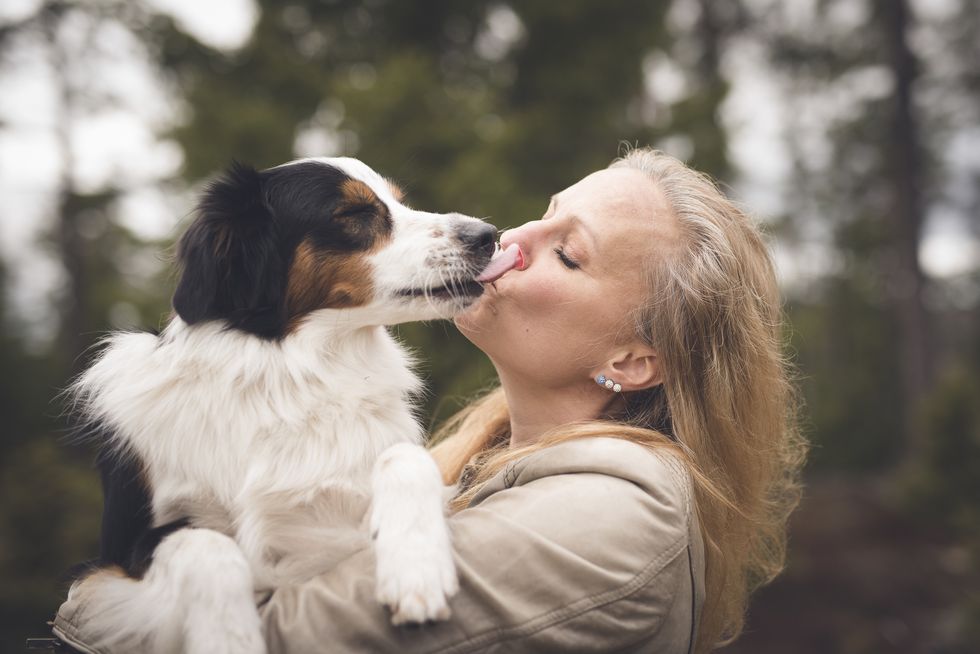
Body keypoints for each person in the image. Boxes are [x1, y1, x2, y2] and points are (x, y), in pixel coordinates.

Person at [53, 147, 806, 653]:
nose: (505, 235)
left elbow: (283, 632)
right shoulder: (471, 460)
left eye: (568, 252)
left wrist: (111, 592)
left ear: (634, 359)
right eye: (543, 211)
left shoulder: (616, 522)